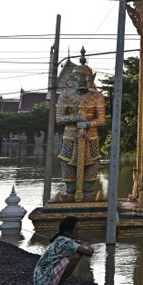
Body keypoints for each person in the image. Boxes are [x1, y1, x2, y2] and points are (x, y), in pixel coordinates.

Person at [55, 55, 106, 202]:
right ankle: (70, 193)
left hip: (90, 136)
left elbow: (101, 119)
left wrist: (88, 124)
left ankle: (88, 192)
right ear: (72, 79)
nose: (83, 81)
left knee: (92, 162)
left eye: (87, 78)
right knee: (67, 162)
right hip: (71, 136)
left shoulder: (97, 96)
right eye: (79, 78)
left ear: (92, 79)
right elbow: (59, 119)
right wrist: (76, 118)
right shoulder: (65, 96)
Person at [33, 216, 94, 285]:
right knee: (77, 256)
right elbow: (89, 252)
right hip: (44, 284)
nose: (79, 232)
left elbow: (89, 250)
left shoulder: (61, 239)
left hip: (40, 282)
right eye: (77, 229)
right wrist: (82, 244)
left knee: (75, 253)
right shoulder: (66, 242)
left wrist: (80, 244)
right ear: (67, 232)